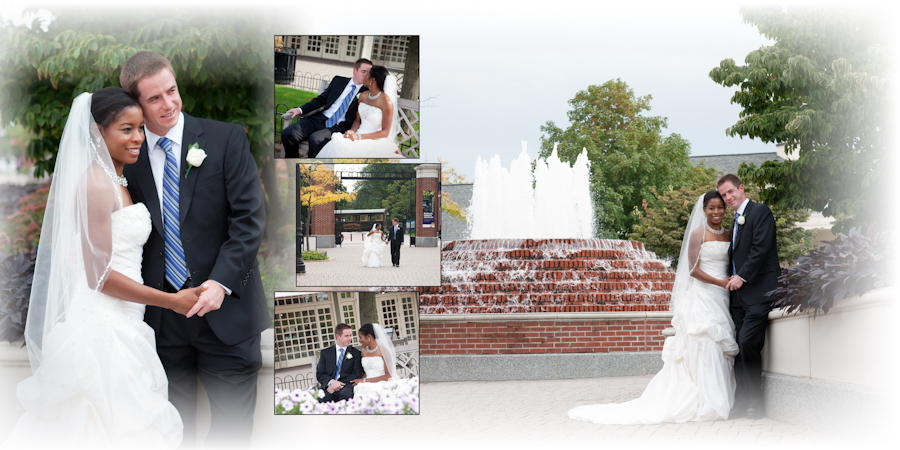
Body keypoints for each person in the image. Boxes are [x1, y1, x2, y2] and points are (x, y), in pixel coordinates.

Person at [5, 88, 208, 447]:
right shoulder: (96, 185)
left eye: (140, 128)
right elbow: (99, 277)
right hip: (104, 327)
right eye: (126, 129)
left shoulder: (119, 180)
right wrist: (171, 300)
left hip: (127, 319)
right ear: (98, 132)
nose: (138, 139)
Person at [120, 51, 269, 446]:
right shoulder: (124, 159)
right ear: (137, 104)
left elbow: (249, 220)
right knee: (170, 434)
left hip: (227, 315)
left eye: (171, 90)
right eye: (154, 98)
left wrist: (220, 283)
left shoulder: (225, 139)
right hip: (160, 322)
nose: (168, 103)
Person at [568, 190, 738, 424]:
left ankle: (721, 396)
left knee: (720, 346)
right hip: (704, 295)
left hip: (724, 297)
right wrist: (720, 282)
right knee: (703, 342)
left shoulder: (729, 235)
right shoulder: (699, 233)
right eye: (711, 208)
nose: (716, 212)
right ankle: (705, 399)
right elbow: (692, 270)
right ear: (704, 210)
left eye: (720, 207)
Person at [717, 174, 780, 420]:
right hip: (738, 298)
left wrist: (741, 277)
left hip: (759, 292)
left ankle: (756, 404)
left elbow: (760, 249)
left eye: (731, 191)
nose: (728, 197)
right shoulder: (735, 221)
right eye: (724, 195)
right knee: (738, 349)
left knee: (748, 343)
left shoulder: (760, 212)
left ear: (741, 188)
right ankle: (742, 403)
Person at [280, 58, 372, 158]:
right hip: (320, 118)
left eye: (369, 73)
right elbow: (321, 100)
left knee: (316, 139)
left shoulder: (368, 92)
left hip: (340, 125)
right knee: (288, 134)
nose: (366, 75)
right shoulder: (338, 81)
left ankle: (312, 170)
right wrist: (300, 109)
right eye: (363, 72)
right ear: (355, 71)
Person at [315, 66, 402, 159]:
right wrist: (351, 131)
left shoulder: (386, 102)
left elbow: (385, 132)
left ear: (372, 80)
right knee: (335, 145)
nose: (364, 76)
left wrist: (359, 137)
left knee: (348, 151)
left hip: (374, 139)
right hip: (358, 133)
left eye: (367, 74)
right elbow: (357, 120)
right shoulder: (363, 96)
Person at [315, 323, 363, 402]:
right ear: (338, 336)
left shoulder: (356, 353)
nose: (350, 338)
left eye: (350, 335)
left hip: (346, 387)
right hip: (328, 386)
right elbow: (320, 373)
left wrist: (338, 384)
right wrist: (331, 383)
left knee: (346, 395)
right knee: (320, 398)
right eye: (346, 336)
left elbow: (357, 374)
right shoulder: (325, 353)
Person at [351, 323, 399, 398]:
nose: (359, 340)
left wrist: (364, 381)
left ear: (369, 336)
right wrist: (361, 380)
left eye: (360, 337)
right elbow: (364, 372)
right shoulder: (363, 352)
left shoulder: (383, 351)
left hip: (382, 383)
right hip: (366, 384)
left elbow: (388, 376)